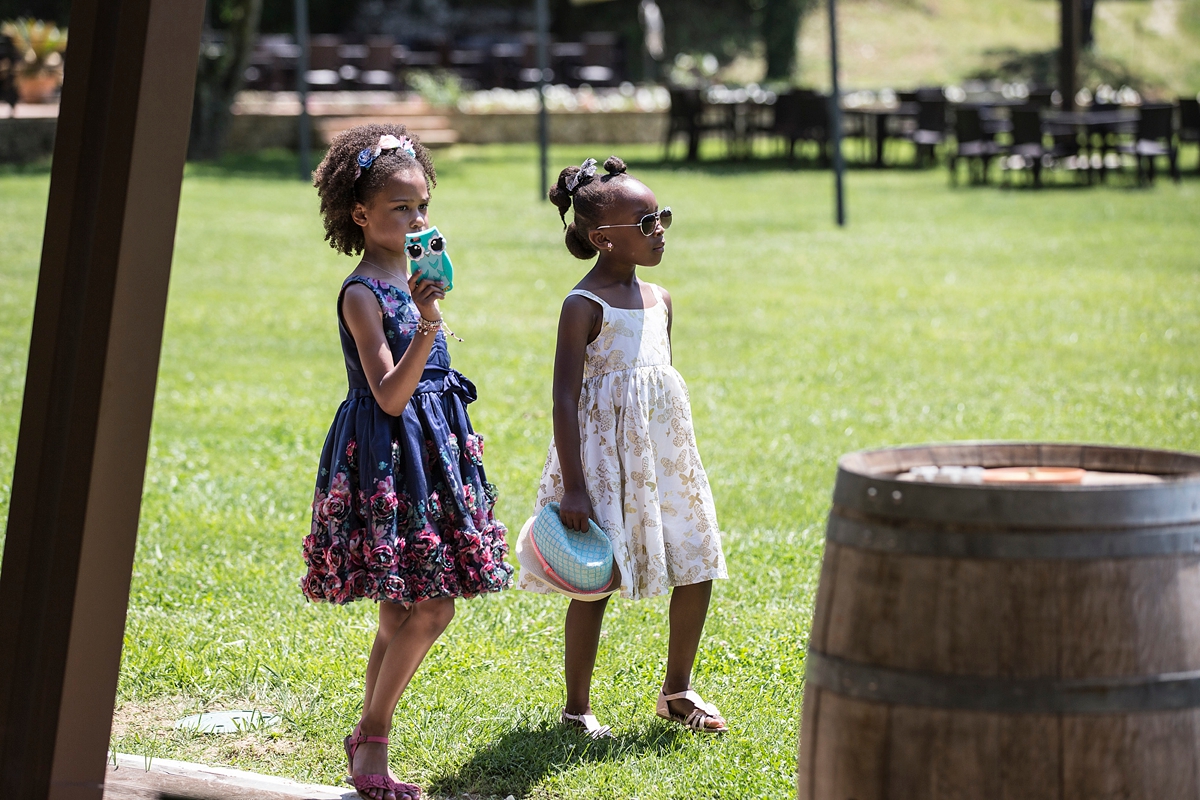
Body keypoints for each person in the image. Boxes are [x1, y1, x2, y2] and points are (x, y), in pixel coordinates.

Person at [302, 124, 513, 800]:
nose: (417, 219)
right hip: (389, 458)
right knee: (432, 607)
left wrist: (429, 309)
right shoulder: (362, 293)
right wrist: (427, 322)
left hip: (434, 453)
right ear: (360, 214)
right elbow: (390, 395)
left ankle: (366, 742)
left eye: (423, 205)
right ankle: (373, 735)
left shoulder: (415, 277)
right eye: (400, 208)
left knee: (401, 612)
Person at [520, 155, 729, 737]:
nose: (658, 229)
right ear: (600, 238)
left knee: (697, 560)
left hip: (663, 459)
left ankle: (678, 690)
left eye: (661, 217)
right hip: (601, 464)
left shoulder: (661, 300)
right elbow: (564, 399)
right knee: (595, 580)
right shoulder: (583, 306)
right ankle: (577, 708)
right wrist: (577, 487)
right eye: (644, 223)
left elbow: (659, 387)